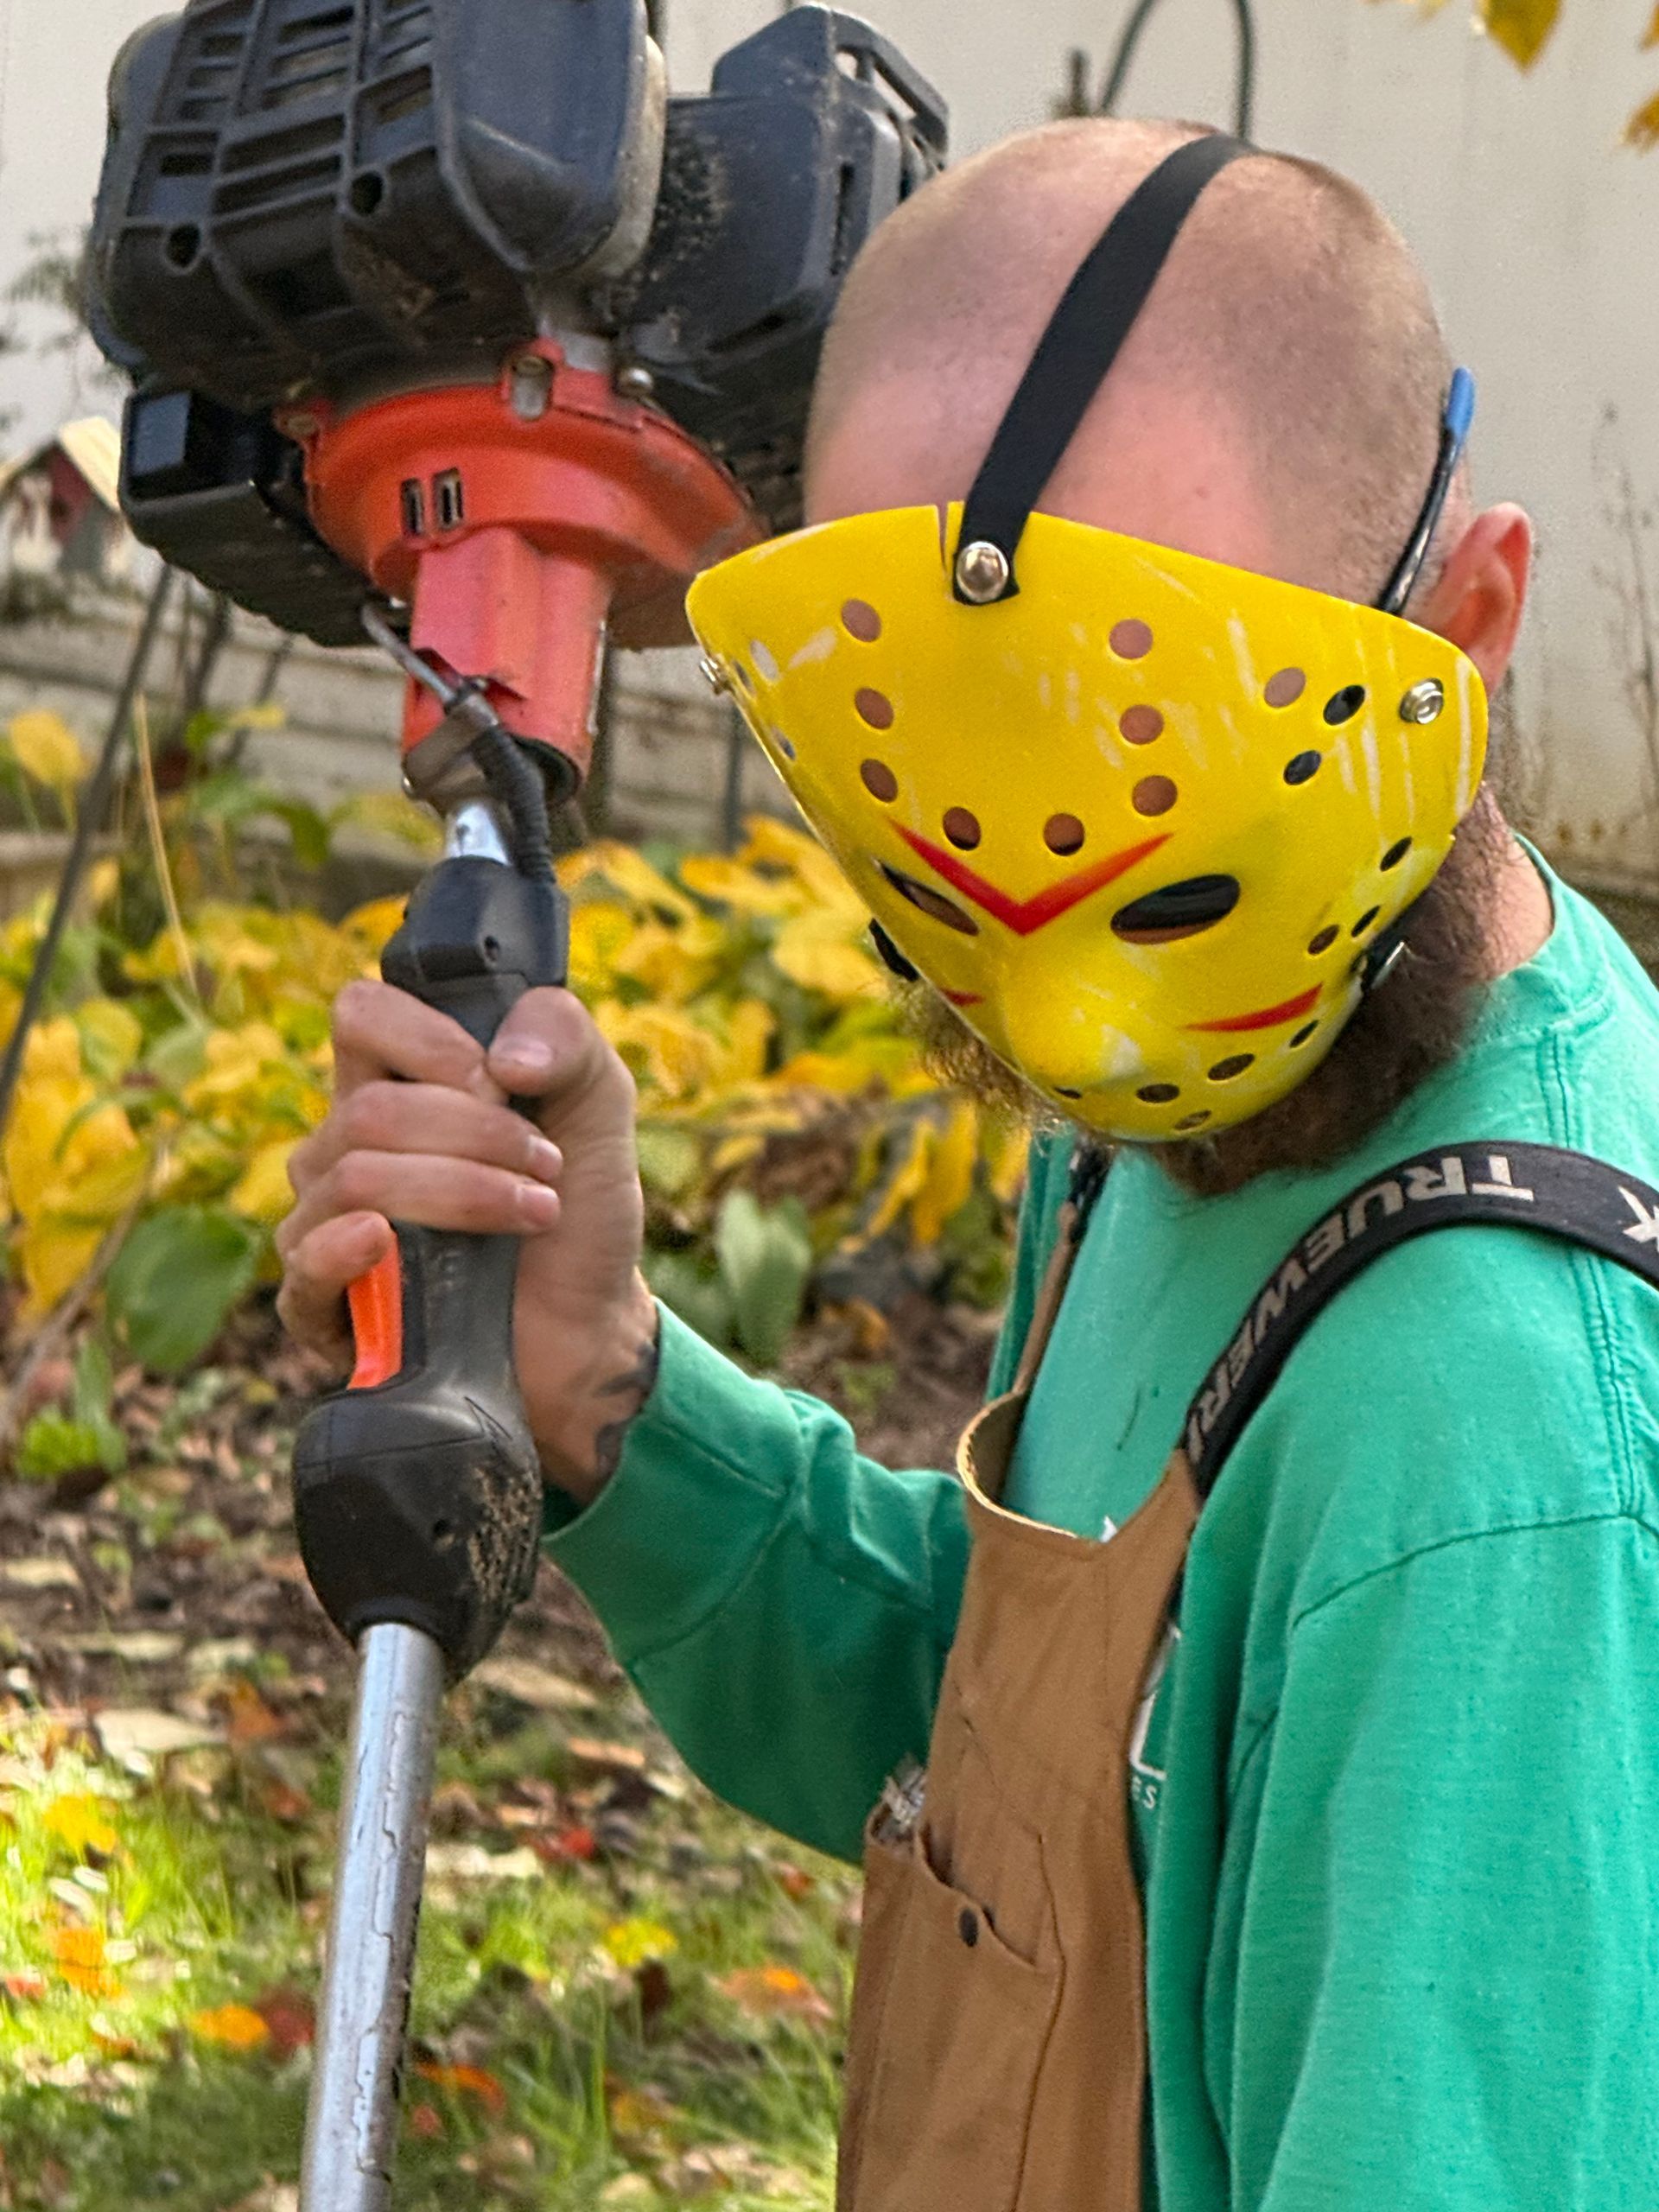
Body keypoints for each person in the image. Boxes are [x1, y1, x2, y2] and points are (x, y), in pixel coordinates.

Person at [276, 118, 1659, 2211]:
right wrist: (612, 1393)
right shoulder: (1183, 1039)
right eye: (961, 811)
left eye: (1147, 776)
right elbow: (1042, 1765)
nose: (1059, 995)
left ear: (1462, 625)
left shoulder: (1482, 1455)